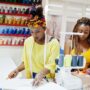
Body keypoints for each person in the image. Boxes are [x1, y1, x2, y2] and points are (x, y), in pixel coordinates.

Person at [8, 7, 59, 86]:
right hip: (31, 78)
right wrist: (16, 70)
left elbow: (52, 65)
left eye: (37, 31)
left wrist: (41, 74)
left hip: (48, 80)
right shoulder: (28, 42)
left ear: (44, 28)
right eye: (32, 32)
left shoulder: (53, 43)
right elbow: (26, 62)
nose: (34, 35)